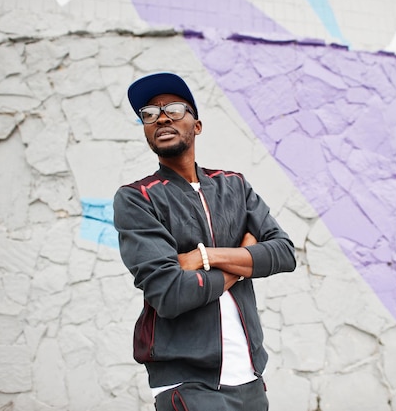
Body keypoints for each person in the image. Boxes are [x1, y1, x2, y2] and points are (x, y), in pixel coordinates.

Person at [113, 72, 297, 411]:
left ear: (197, 125)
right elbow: (170, 294)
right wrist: (242, 264)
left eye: (174, 108)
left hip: (251, 377)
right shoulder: (137, 198)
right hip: (189, 384)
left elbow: (284, 252)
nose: (162, 117)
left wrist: (204, 257)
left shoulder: (234, 186)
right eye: (149, 114)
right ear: (145, 130)